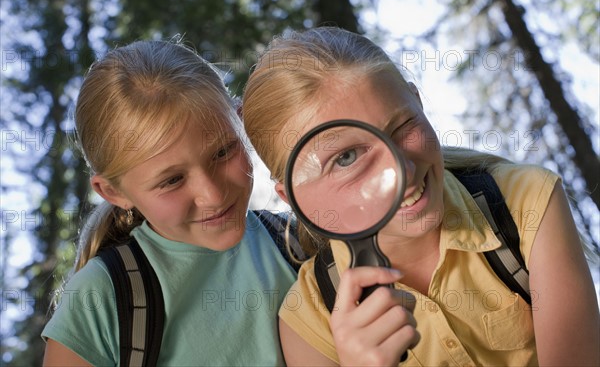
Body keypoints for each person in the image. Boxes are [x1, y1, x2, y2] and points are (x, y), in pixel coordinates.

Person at [242, 27, 600, 366]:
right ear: (293, 198)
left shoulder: (523, 205)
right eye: (346, 158)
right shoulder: (311, 317)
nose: (403, 171)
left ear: (418, 102)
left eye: (402, 127)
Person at [42, 40, 297, 366]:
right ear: (114, 193)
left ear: (239, 122)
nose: (213, 195)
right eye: (172, 180)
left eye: (223, 152)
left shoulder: (300, 244)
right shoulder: (100, 298)